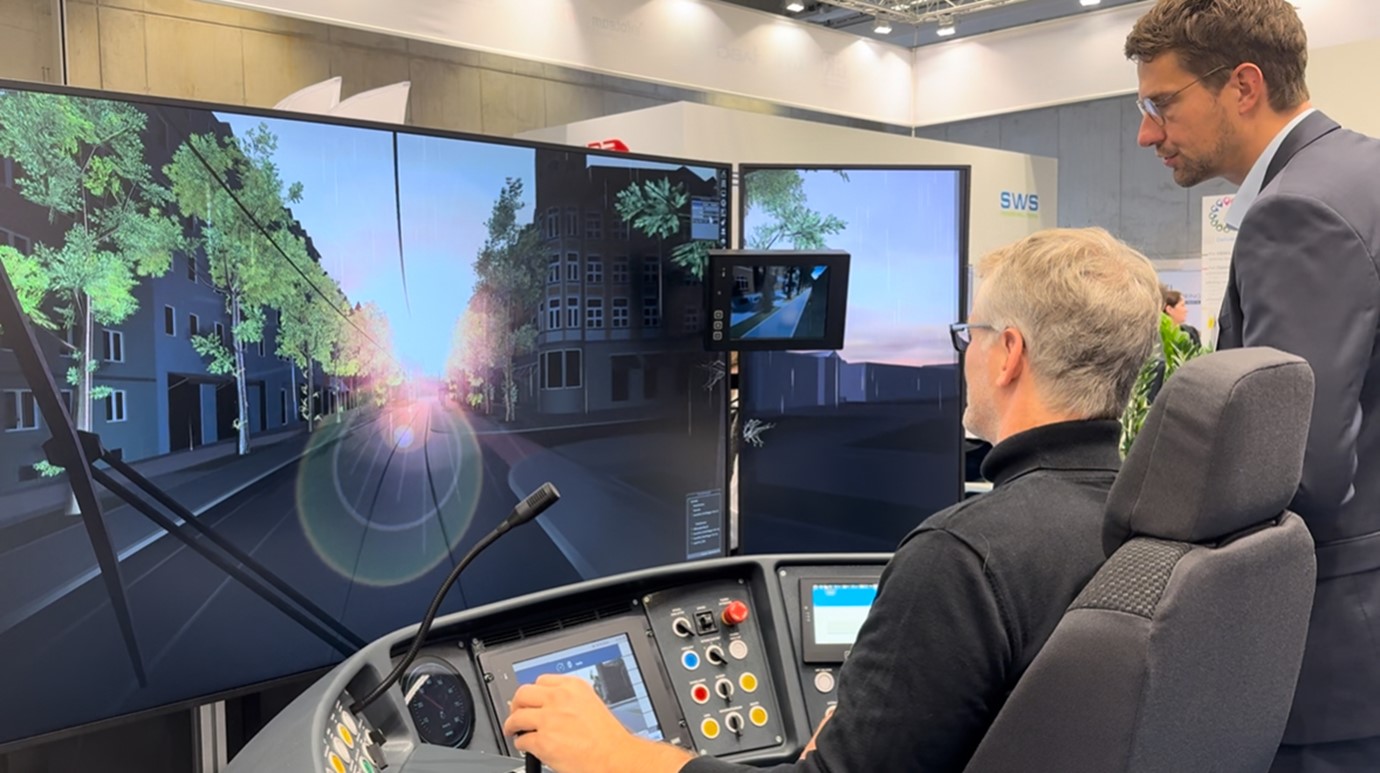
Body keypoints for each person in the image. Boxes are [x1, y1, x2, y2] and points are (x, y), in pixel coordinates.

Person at [501, 227, 1163, 773]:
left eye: (971, 336)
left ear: (1008, 354)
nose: (967, 354)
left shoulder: (963, 559)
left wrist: (620, 755)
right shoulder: (1159, 529)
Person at [1126, 1, 1380, 769]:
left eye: (1161, 104)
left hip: (1333, 659)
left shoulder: (1296, 209)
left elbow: (1296, 463)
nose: (1146, 135)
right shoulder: (1362, 172)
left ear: (1243, 85)